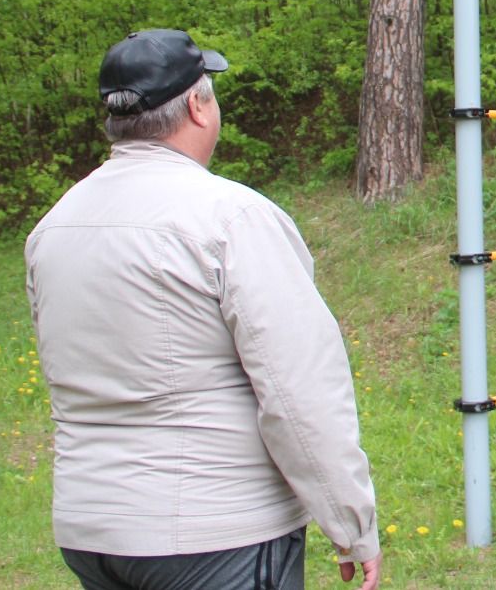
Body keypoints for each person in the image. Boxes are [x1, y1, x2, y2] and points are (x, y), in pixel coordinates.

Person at [25, 29, 382, 590]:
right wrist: (351, 521)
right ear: (198, 106)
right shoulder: (230, 217)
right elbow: (299, 388)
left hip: (91, 530)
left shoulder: (54, 228)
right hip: (215, 534)